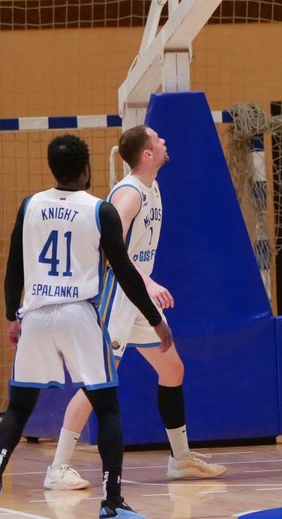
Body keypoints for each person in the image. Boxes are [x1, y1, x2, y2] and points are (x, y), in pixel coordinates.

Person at [0, 134, 174, 519]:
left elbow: (14, 266)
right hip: (78, 315)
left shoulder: (29, 205)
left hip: (36, 315)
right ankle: (112, 502)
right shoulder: (100, 210)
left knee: (18, 408)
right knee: (107, 408)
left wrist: (11, 316)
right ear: (86, 169)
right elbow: (125, 272)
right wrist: (154, 318)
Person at [45, 125, 226, 491]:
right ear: (147, 153)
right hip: (118, 295)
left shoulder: (152, 186)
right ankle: (58, 467)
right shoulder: (128, 194)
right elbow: (113, 253)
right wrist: (150, 283)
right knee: (98, 382)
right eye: (157, 140)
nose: (164, 142)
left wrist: (146, 286)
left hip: (137, 298)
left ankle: (180, 459)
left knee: (172, 368)